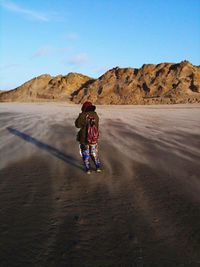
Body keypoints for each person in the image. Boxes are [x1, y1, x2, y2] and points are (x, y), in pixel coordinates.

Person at [75, 101, 101, 174]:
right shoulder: (96, 115)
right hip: (94, 138)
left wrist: (80, 115)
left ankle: (88, 169)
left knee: (85, 154)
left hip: (84, 139)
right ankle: (98, 167)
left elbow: (77, 125)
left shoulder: (83, 115)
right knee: (94, 153)